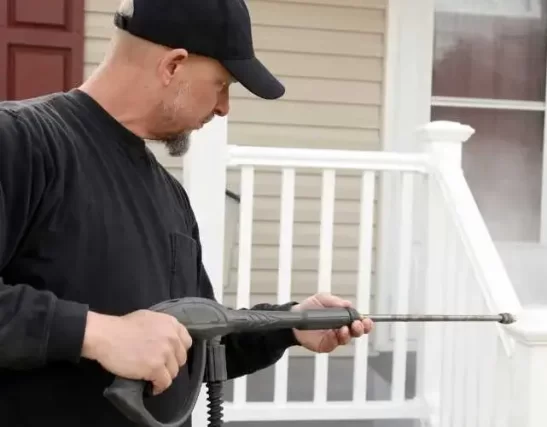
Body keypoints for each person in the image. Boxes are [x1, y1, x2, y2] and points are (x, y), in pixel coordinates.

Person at [0, 0, 373, 425]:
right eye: (222, 84)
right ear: (174, 65)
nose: (224, 108)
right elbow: (117, 338)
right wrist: (97, 334)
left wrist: (288, 325)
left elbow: (194, 343)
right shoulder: (22, 142)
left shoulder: (170, 196)